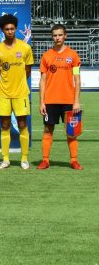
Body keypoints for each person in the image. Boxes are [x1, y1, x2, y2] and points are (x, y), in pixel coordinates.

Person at [38, 24, 83, 170]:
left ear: (65, 36)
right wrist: (42, 102)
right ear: (52, 37)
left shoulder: (73, 55)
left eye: (60, 35)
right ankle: (45, 160)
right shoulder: (46, 56)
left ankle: (74, 161)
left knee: (72, 132)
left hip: (69, 101)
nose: (57, 38)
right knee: (47, 130)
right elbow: (43, 80)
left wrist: (76, 101)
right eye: (54, 35)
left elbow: (77, 79)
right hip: (50, 101)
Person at [0, 14, 34, 169]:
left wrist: (18, 83)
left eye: (12, 28)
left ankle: (24, 159)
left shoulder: (25, 48)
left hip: (21, 93)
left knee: (23, 124)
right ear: (3, 30)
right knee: (4, 125)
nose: (10, 31)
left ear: (15, 29)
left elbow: (27, 70)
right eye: (7, 29)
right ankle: (6, 159)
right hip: (4, 94)